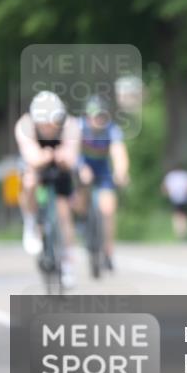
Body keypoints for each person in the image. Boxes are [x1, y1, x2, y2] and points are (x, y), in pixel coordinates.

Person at [14, 90, 81, 287]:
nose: (50, 127)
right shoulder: (24, 125)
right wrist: (46, 157)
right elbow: (32, 157)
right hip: (36, 163)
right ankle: (31, 221)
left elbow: (71, 157)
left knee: (64, 213)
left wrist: (63, 158)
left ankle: (67, 263)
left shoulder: (70, 125)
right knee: (29, 182)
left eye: (54, 121)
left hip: (60, 165)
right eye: (45, 123)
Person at [76, 95, 130, 271]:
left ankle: (108, 251)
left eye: (102, 116)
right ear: (87, 116)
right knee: (80, 201)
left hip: (103, 170)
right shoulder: (78, 128)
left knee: (108, 209)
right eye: (95, 116)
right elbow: (72, 151)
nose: (98, 120)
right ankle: (83, 221)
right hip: (82, 167)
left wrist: (121, 172)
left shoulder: (111, 130)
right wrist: (81, 168)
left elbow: (118, 152)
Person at [162, 166, 187, 239]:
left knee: (179, 216)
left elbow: (164, 187)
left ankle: (181, 233)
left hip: (180, 198)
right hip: (180, 198)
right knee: (181, 216)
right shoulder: (185, 174)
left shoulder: (172, 175)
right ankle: (181, 233)